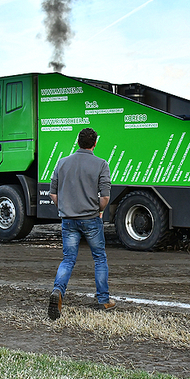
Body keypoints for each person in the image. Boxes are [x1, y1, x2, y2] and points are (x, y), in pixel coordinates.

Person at [48, 127, 115, 320]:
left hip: (68, 220)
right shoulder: (101, 164)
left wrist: (66, 207)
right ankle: (103, 300)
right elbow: (105, 196)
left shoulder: (61, 163)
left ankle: (58, 292)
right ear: (95, 144)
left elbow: (53, 193)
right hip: (91, 219)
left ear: (78, 142)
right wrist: (99, 210)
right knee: (99, 258)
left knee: (68, 259)